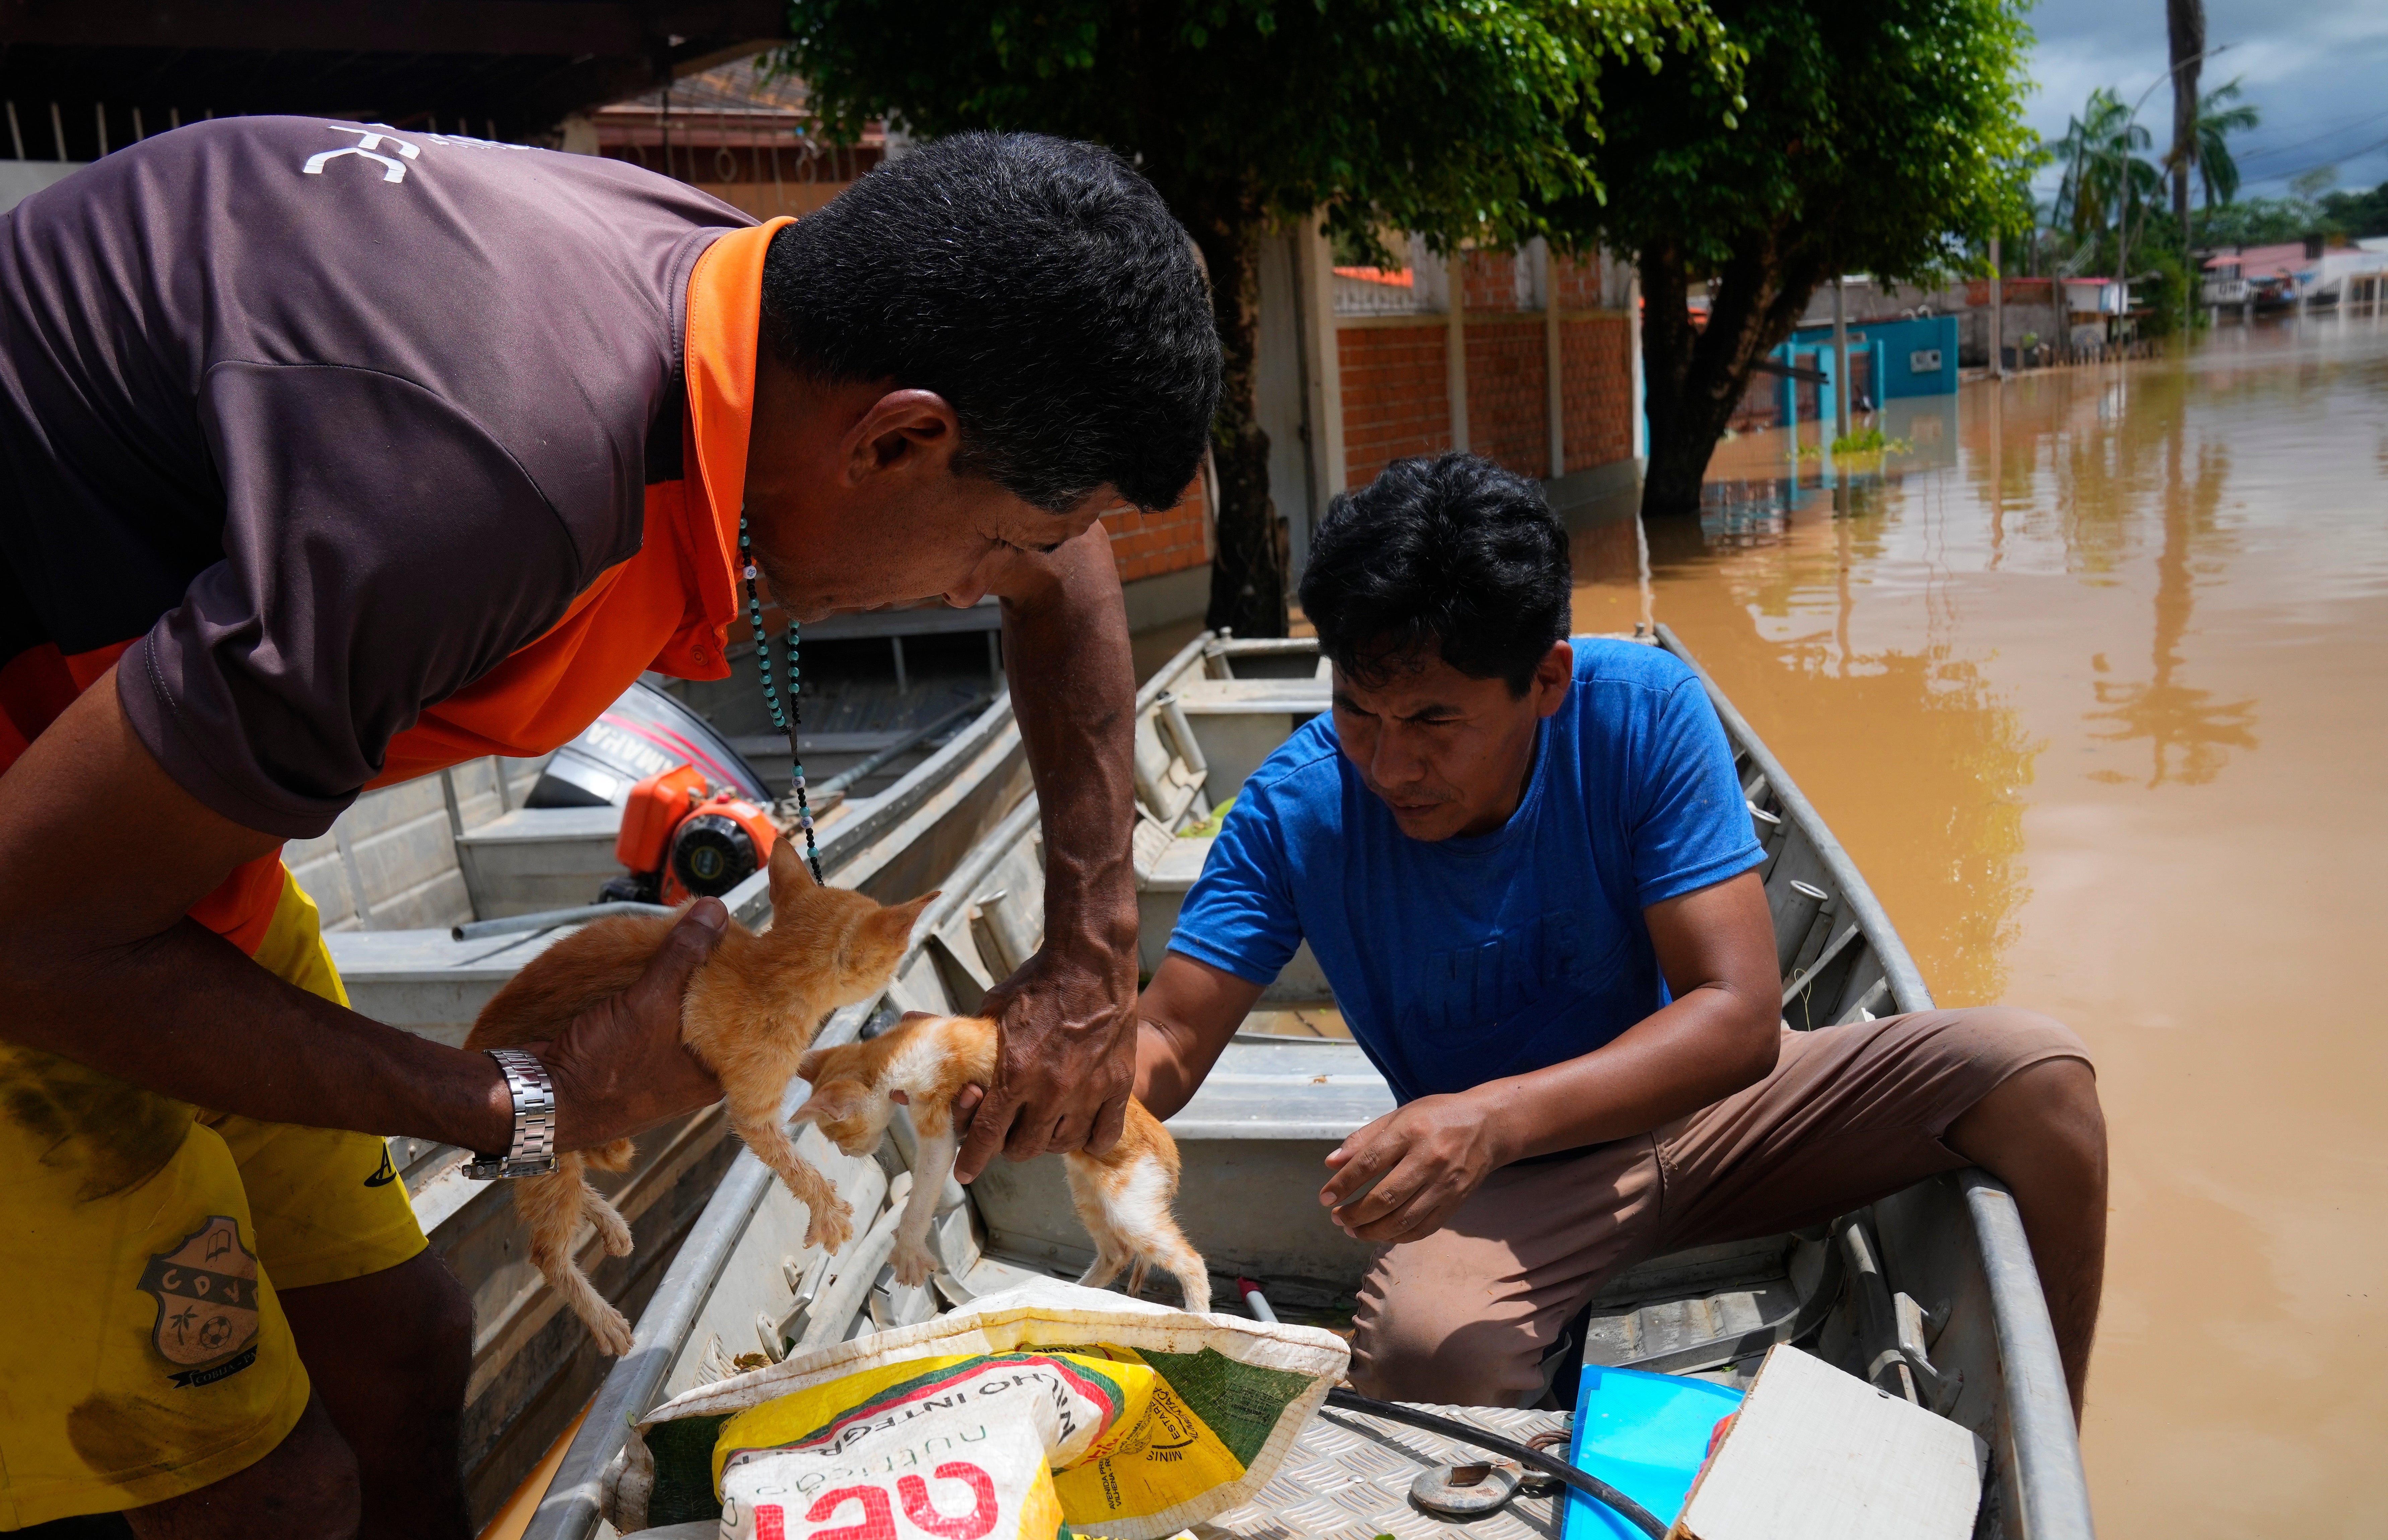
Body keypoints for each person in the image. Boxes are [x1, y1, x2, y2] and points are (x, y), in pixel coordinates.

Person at [0, 122, 1214, 1535]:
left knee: (404, 1349)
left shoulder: (753, 307)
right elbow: (33, 929)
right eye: (992, 541)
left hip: (151, 835)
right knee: (267, 1490)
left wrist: (1091, 950)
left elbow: (1068, 578)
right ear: (897, 438)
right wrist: (527, 1103)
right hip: (46, 879)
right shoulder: (484, 493)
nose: (979, 590)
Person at [1133, 454, 2107, 1414]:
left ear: (1547, 680)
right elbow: (1171, 1038)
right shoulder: (1296, 808)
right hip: (1515, 1182)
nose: (1390, 764)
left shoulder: (1642, 711)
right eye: (1356, 708)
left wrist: (1490, 1116)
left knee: (2036, 1076)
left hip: (1713, 1115)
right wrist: (1027, 1078)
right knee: (1430, 1357)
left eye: (1435, 719)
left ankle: (2046, 1446)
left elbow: (1738, 1018)